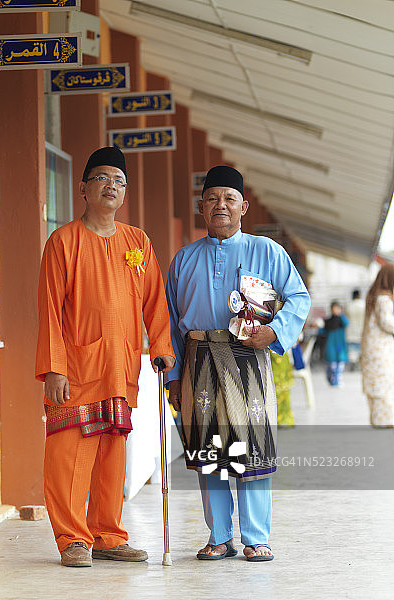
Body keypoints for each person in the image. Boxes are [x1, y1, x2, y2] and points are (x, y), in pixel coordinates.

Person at [36, 146, 175, 568]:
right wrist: (54, 367)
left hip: (121, 366)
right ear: (83, 188)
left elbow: (155, 300)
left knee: (112, 455)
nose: (111, 186)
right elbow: (49, 309)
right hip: (76, 367)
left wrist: (162, 348)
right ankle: (72, 539)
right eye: (102, 178)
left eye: (119, 181)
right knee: (69, 456)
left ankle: (107, 535)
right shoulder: (63, 242)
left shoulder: (138, 241)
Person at [165, 165, 310, 563]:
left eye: (229, 198)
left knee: (252, 448)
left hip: (248, 356)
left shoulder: (267, 251)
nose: (221, 205)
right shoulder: (183, 259)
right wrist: (174, 377)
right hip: (199, 359)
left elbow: (298, 297)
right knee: (210, 450)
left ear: (243, 206)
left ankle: (256, 537)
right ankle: (220, 536)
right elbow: (171, 323)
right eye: (212, 199)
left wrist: (274, 332)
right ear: (201, 207)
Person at [360, 264, 394, 428]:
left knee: (374, 382)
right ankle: (385, 420)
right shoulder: (384, 298)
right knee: (384, 382)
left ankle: (377, 418)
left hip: (370, 345)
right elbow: (386, 322)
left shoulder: (373, 295)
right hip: (381, 347)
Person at [320, 302, 348, 386]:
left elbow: (347, 323)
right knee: (332, 364)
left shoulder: (341, 320)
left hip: (340, 344)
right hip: (331, 345)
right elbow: (322, 331)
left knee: (341, 362)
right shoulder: (328, 321)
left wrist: (340, 315)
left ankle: (337, 379)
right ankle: (332, 379)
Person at [345, 289, 365, 370]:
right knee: (360, 347)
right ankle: (360, 364)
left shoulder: (349, 305)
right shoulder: (363, 304)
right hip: (361, 329)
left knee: (352, 348)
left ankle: (353, 362)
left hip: (351, 330)